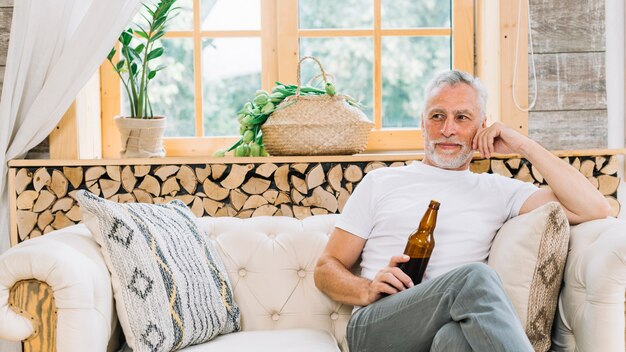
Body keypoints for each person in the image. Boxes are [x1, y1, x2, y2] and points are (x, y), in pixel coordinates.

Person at [313, 70, 611, 351]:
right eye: (437, 116)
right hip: (379, 325)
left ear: (483, 127)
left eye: (462, 117)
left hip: (450, 327)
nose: (447, 129)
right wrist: (366, 289)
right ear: (423, 123)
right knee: (473, 278)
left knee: (455, 338)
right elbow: (327, 267)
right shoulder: (381, 182)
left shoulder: (499, 191)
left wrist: (522, 144)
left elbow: (595, 207)